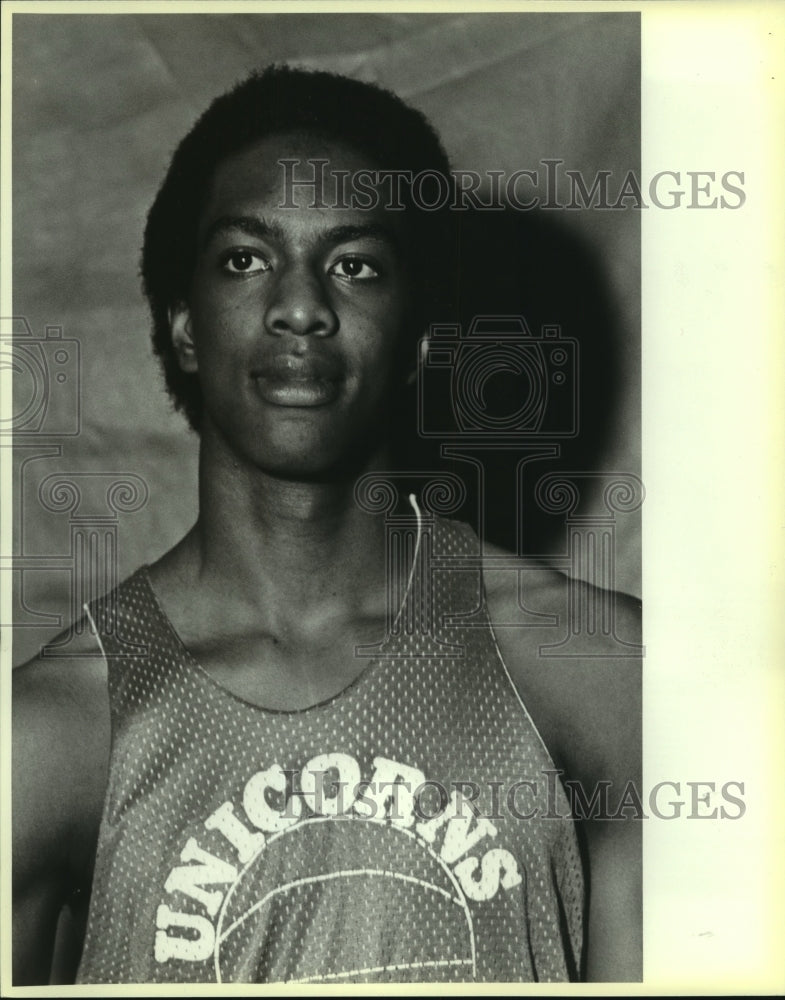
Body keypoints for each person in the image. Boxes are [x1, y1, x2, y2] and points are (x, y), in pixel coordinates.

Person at [12, 65, 641, 985]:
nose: (299, 307)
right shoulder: (54, 732)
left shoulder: (597, 673)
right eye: (245, 258)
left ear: (421, 330)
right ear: (183, 324)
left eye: (354, 265)